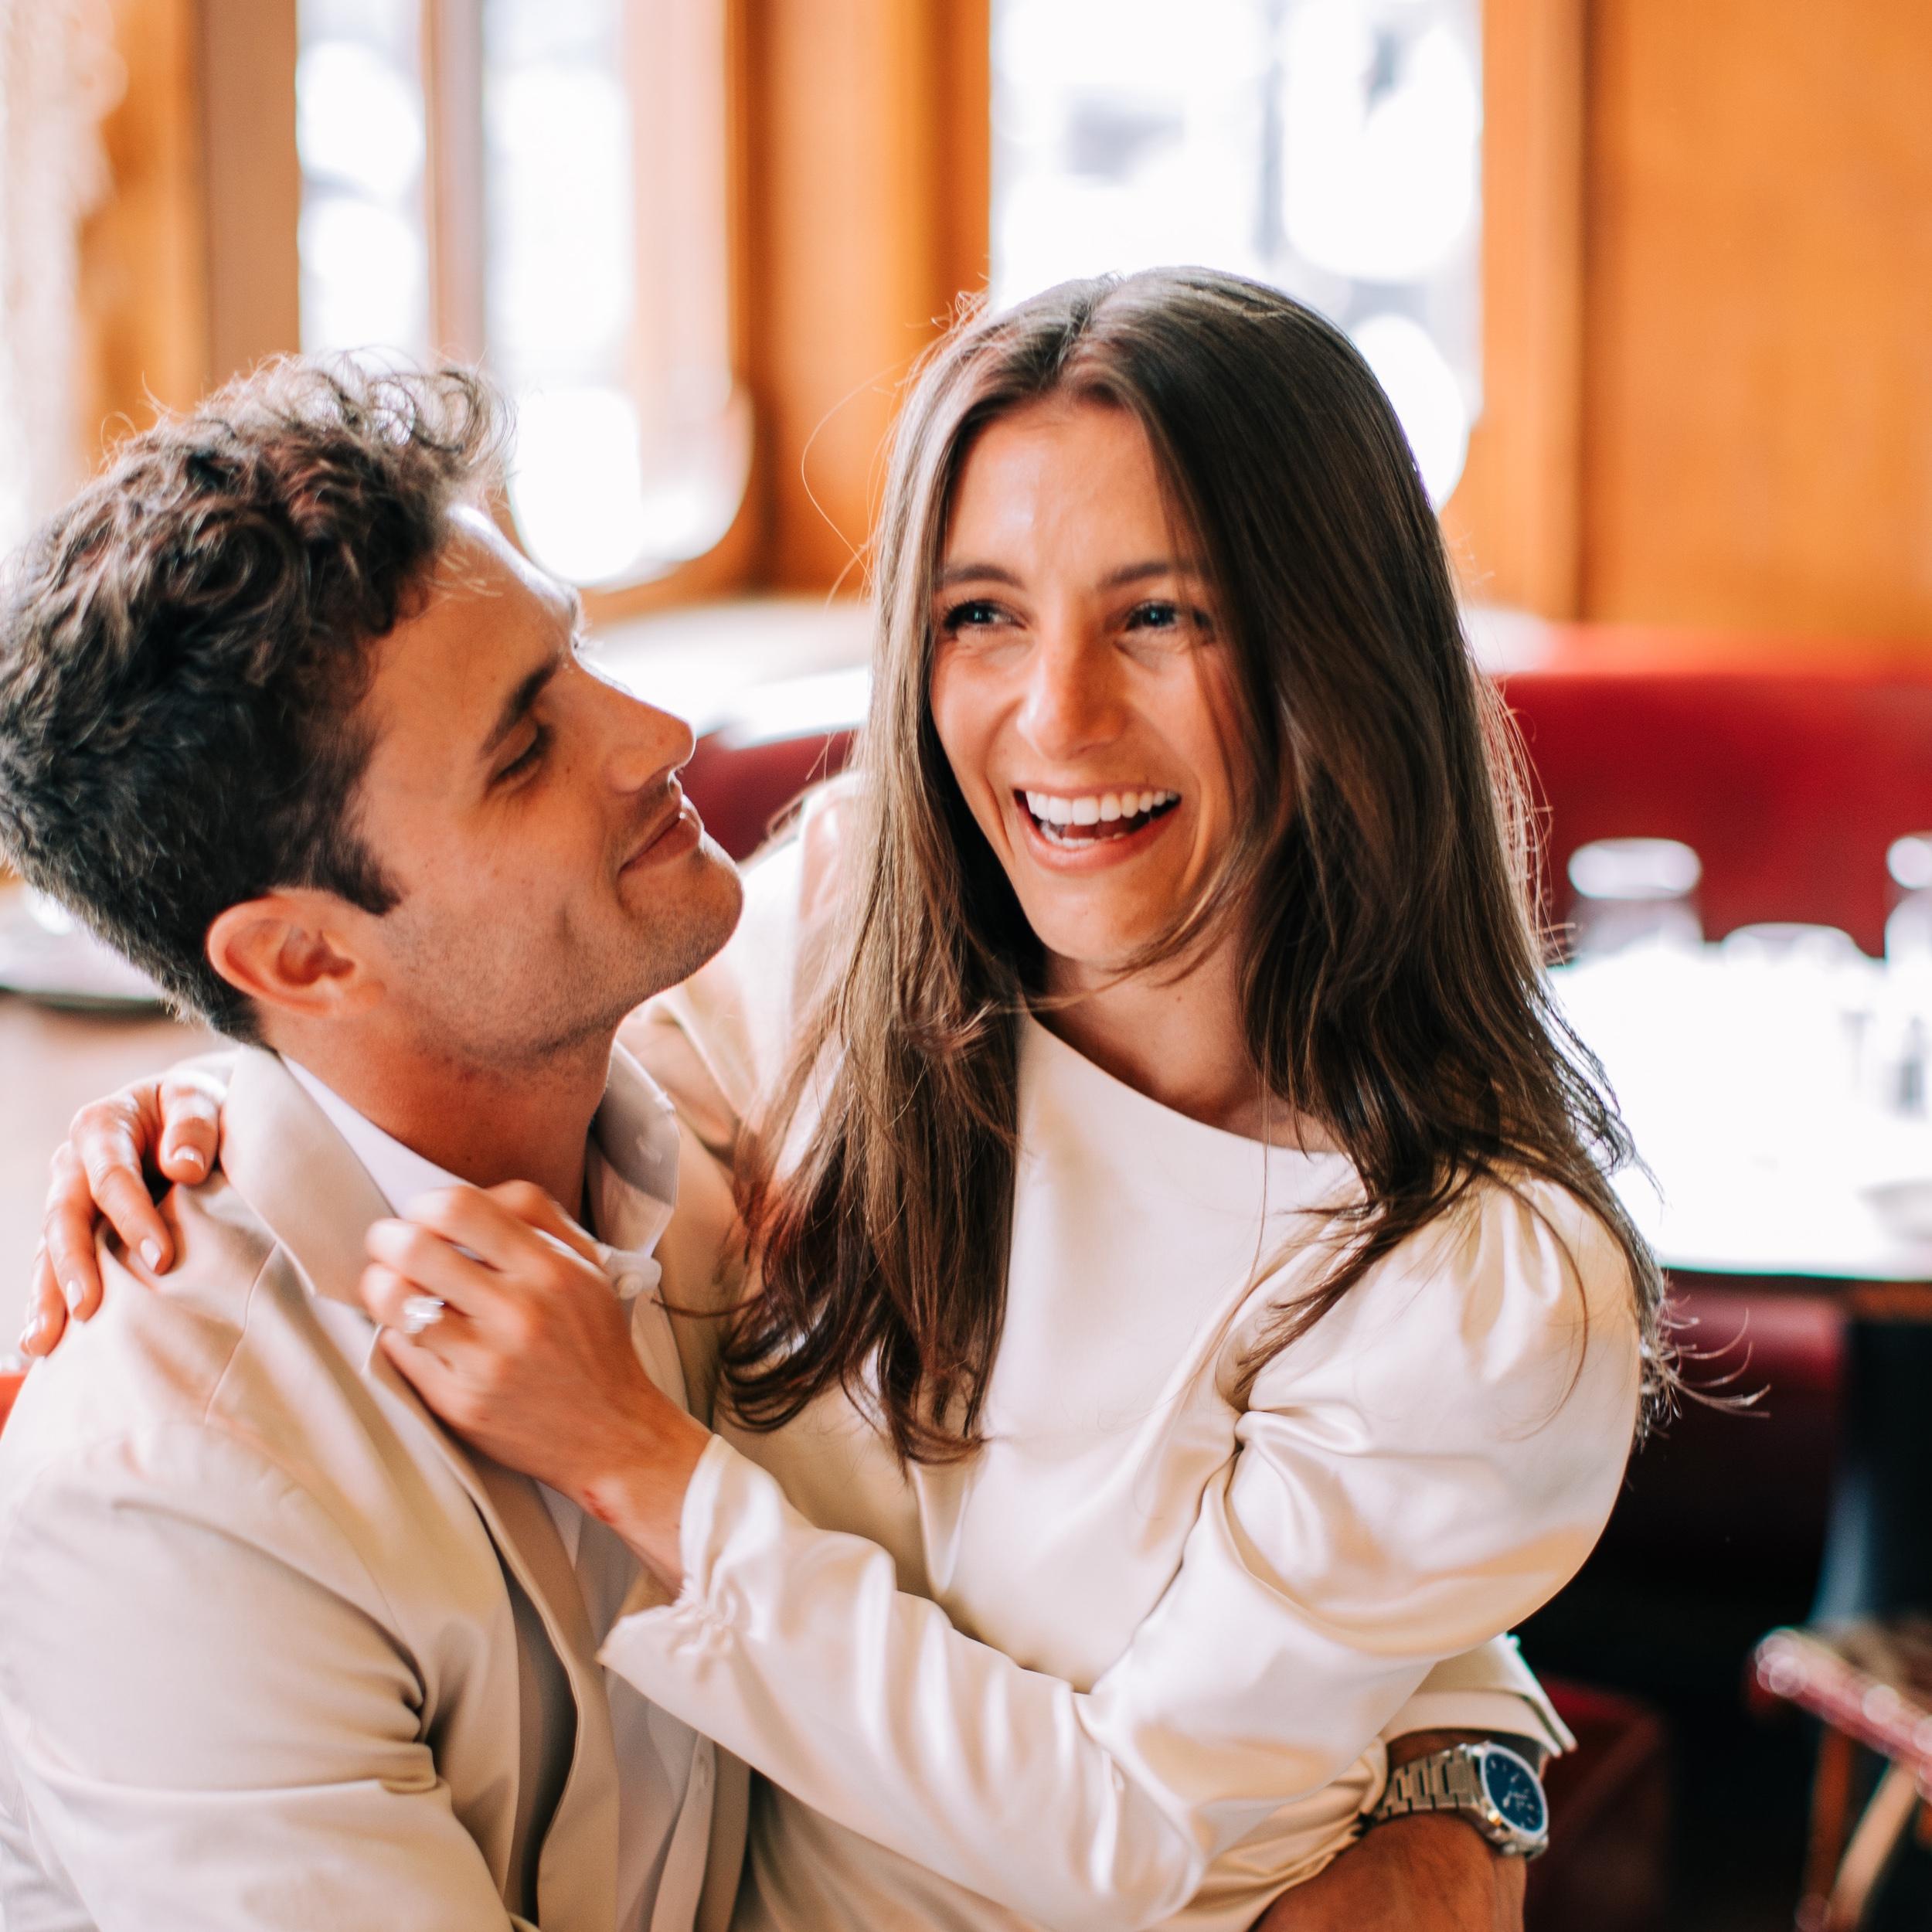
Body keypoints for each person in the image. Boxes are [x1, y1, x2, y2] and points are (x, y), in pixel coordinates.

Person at [27, 272, 1663, 1929]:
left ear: (1338, 640)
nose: (661, 729)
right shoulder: (851, 952)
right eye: (980, 613)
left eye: (1164, 614)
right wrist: (228, 1101)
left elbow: (1263, 1661)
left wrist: (1458, 1770)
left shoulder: (1459, 1278)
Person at [0, 364, 751, 1930]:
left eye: (576, 654)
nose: (659, 732)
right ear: (304, 959)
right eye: (523, 751)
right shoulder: (168, 1492)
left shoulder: (711, 1111)